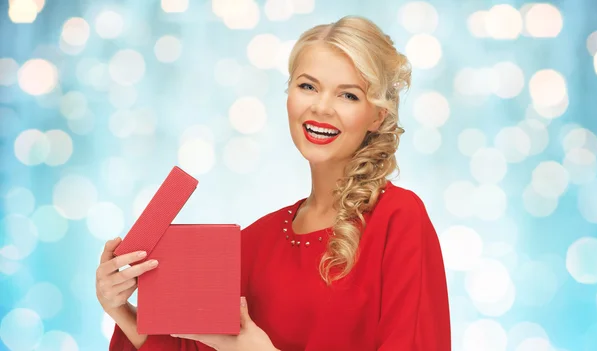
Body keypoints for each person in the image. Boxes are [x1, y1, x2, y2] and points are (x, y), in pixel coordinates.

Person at [97, 15, 451, 351]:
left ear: (377, 116)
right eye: (308, 86)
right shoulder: (255, 242)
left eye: (348, 95)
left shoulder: (398, 219)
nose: (322, 107)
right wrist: (121, 309)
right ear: (289, 95)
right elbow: (195, 347)